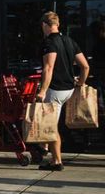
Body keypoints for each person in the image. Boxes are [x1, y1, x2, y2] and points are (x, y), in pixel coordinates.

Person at [35, 11, 91, 172]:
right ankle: (43, 146)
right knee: (50, 122)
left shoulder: (49, 43)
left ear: (45, 25)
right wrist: (80, 82)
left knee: (51, 126)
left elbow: (48, 67)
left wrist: (42, 91)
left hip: (55, 89)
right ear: (57, 24)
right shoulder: (69, 41)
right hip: (69, 89)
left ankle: (56, 161)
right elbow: (85, 66)